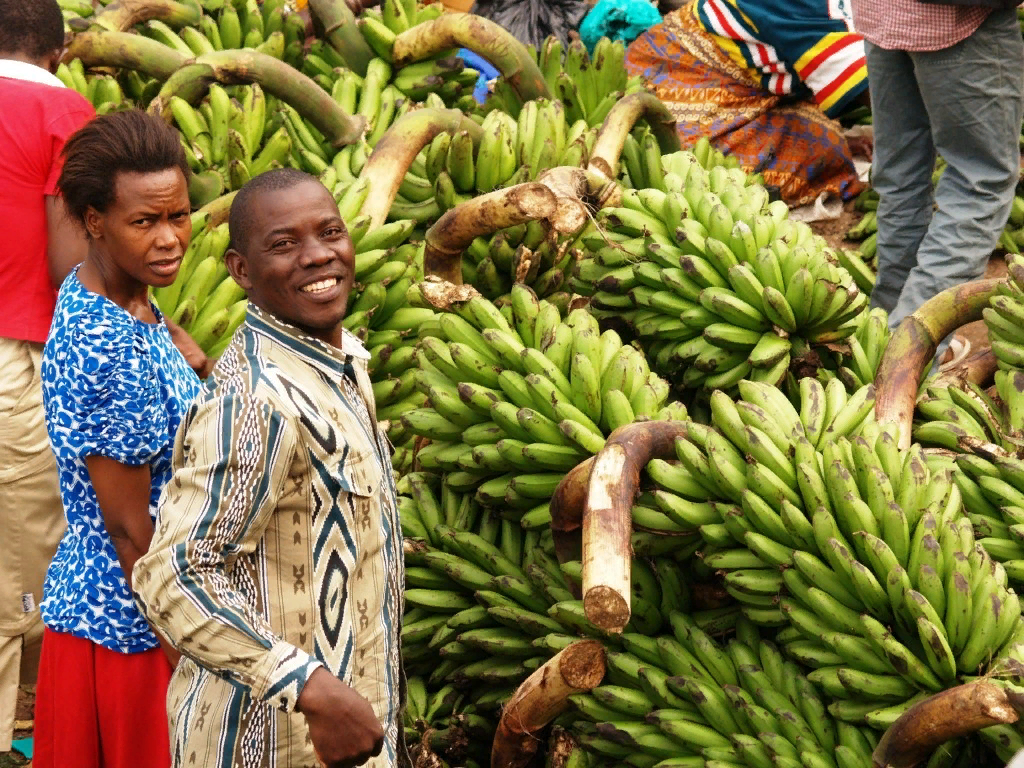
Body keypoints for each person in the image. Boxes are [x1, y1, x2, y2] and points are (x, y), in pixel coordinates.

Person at [135, 169, 408, 768]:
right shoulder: (256, 401)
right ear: (240, 270)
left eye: (329, 233)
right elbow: (173, 574)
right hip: (269, 745)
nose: (317, 256)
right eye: (284, 245)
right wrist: (307, 685)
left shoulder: (342, 362)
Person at [33, 109, 207, 768]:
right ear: (94, 221)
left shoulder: (121, 299)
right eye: (145, 222)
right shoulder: (111, 347)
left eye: (179, 216)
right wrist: (189, 654)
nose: (169, 239)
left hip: (122, 607)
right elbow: (130, 529)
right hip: (132, 628)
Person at [0, 0, 94, 757]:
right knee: (19, 571)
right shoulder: (59, 110)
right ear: (60, 50)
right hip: (16, 352)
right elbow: (72, 261)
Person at [851, 0, 1024, 329]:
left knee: (900, 177)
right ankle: (908, 354)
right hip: (957, 21)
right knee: (981, 184)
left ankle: (883, 329)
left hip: (883, 16)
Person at [625, 0, 870, 205]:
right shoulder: (801, 7)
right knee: (708, 176)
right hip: (678, 80)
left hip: (746, 85)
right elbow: (870, 86)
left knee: (827, 139)